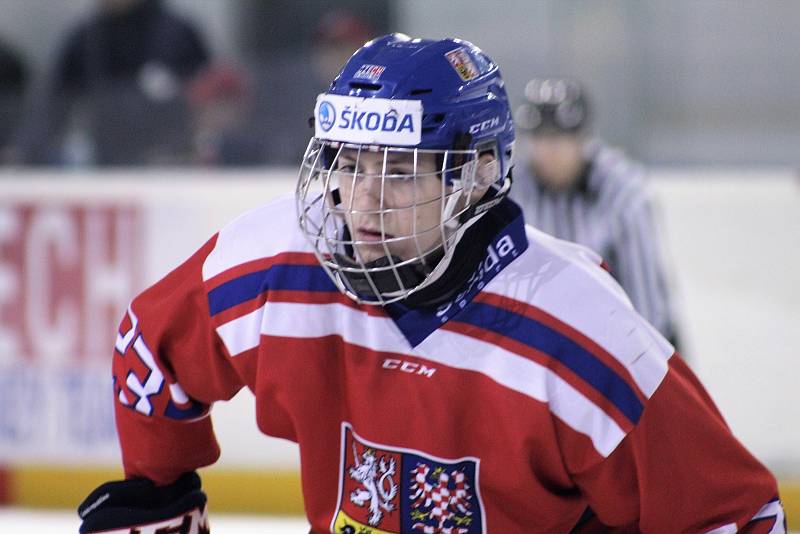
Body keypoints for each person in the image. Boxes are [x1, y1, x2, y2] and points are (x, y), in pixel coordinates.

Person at [78, 34, 784, 533]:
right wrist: (158, 489)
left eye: (400, 171)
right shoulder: (277, 268)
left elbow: (736, 514)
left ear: (478, 173)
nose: (363, 202)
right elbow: (152, 347)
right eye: (350, 164)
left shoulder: (581, 331)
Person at [511, 79, 680, 347]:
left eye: (558, 139)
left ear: (584, 140)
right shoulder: (514, 185)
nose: (547, 152)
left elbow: (648, 306)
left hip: (610, 345)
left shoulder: (622, 193)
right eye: (539, 138)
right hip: (532, 340)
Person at [10, 0, 209, 166]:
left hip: (172, 162)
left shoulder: (178, 33)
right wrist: (24, 151)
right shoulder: (86, 39)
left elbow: (208, 96)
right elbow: (52, 104)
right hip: (103, 162)